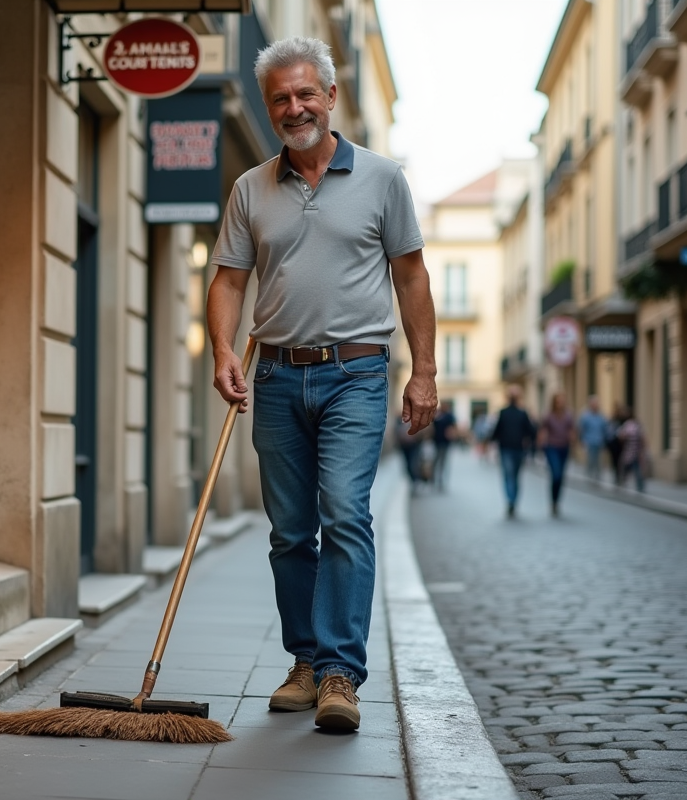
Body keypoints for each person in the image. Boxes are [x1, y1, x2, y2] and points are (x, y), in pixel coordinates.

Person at [206, 36, 434, 732]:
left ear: (331, 97)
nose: (294, 106)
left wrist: (424, 371)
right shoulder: (251, 188)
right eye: (281, 97)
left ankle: (338, 672)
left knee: (344, 513)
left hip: (358, 373)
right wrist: (223, 348)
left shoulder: (383, 179)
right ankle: (303, 663)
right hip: (274, 374)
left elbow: (411, 277)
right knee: (289, 532)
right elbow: (228, 280)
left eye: (306, 93)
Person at [491, 386, 536, 518]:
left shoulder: (522, 413)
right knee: (511, 476)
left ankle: (512, 500)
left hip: (517, 449)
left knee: (512, 476)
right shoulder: (504, 412)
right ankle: (511, 500)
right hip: (506, 449)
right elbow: (497, 430)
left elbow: (531, 431)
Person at [538, 392, 575, 516]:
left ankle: (556, 502)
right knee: (556, 474)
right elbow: (543, 431)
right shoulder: (548, 416)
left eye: (562, 400)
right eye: (558, 401)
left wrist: (573, 440)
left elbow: (571, 430)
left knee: (560, 477)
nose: (560, 403)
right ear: (554, 402)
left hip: (564, 448)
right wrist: (540, 444)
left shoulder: (568, 415)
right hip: (551, 447)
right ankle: (553, 501)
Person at [577, 395, 609, 481]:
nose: (595, 405)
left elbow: (605, 429)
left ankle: (597, 476)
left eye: (596, 404)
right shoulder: (585, 416)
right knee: (590, 460)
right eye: (593, 404)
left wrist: (605, 442)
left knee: (599, 461)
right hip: (589, 441)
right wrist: (581, 441)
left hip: (599, 441)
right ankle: (590, 476)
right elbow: (581, 429)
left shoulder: (602, 416)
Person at [616, 406, 647, 492]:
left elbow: (621, 436)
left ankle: (623, 482)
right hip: (636, 451)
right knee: (636, 468)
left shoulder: (628, 425)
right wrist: (643, 449)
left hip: (630, 450)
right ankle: (640, 486)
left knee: (625, 466)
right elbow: (643, 438)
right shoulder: (637, 424)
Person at [430, 401, 458, 490]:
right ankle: (433, 479)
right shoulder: (437, 415)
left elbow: (454, 428)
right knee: (436, 461)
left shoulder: (449, 416)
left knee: (443, 462)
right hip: (436, 441)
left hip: (445, 442)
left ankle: (441, 481)